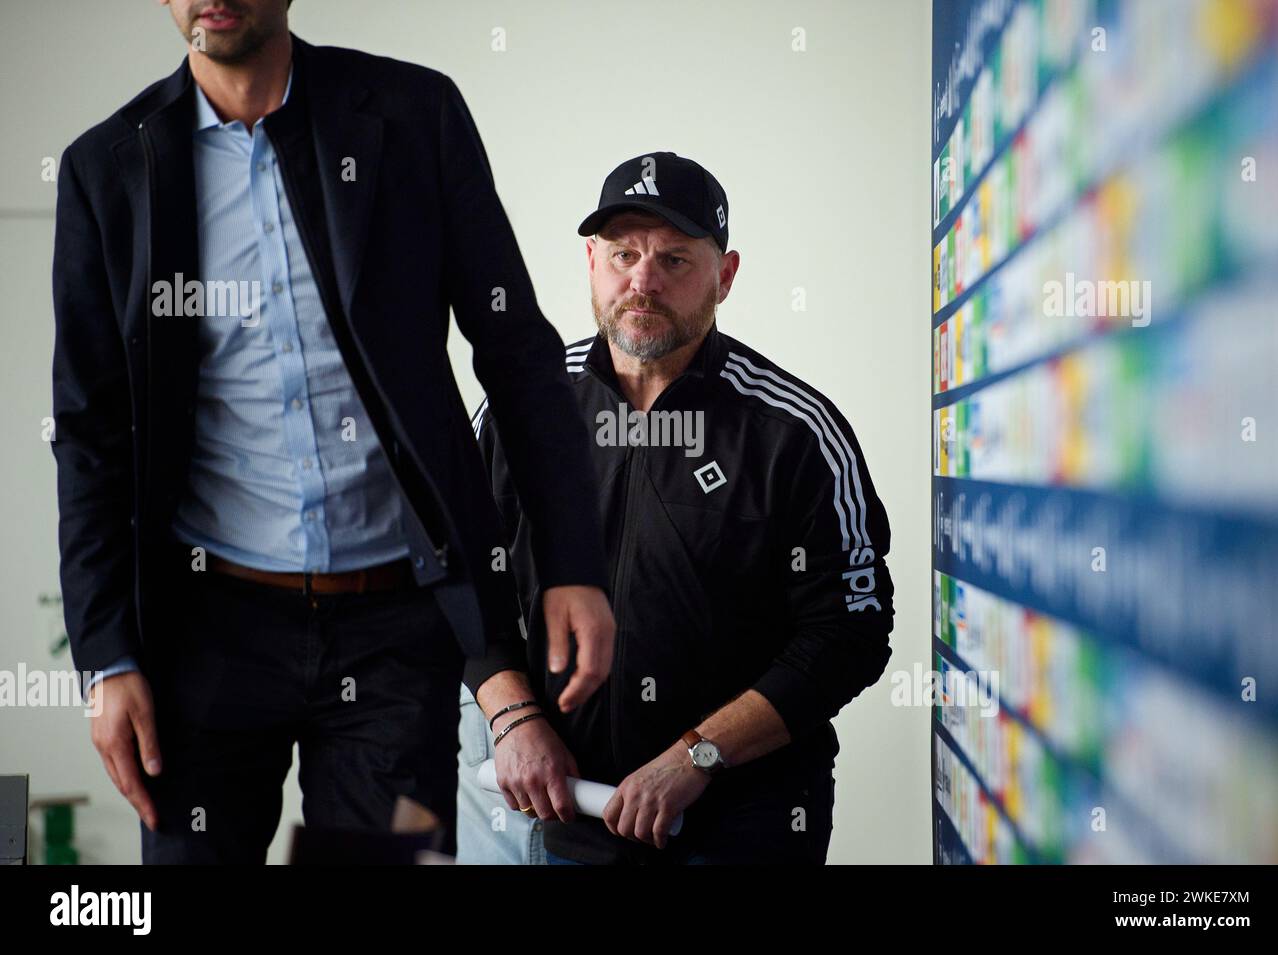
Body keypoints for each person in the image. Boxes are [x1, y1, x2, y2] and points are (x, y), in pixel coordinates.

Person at [50, 0, 613, 864]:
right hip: (205, 632)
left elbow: (516, 353)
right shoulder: (106, 168)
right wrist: (107, 659)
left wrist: (570, 562)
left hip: (396, 635)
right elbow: (90, 434)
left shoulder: (413, 115)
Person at [460, 152, 894, 864]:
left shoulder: (795, 431)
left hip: (745, 829)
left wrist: (699, 755)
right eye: (623, 255)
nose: (643, 280)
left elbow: (852, 631)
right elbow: (464, 579)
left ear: (725, 276)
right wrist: (512, 718)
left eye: (674, 259)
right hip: (570, 818)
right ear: (592, 262)